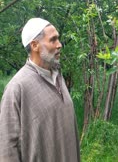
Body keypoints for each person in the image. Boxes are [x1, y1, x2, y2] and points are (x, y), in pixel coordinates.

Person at [0, 18, 80, 162]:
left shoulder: (58, 76)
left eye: (58, 39)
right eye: (53, 40)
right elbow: (7, 148)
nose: (59, 45)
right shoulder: (17, 88)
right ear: (35, 45)